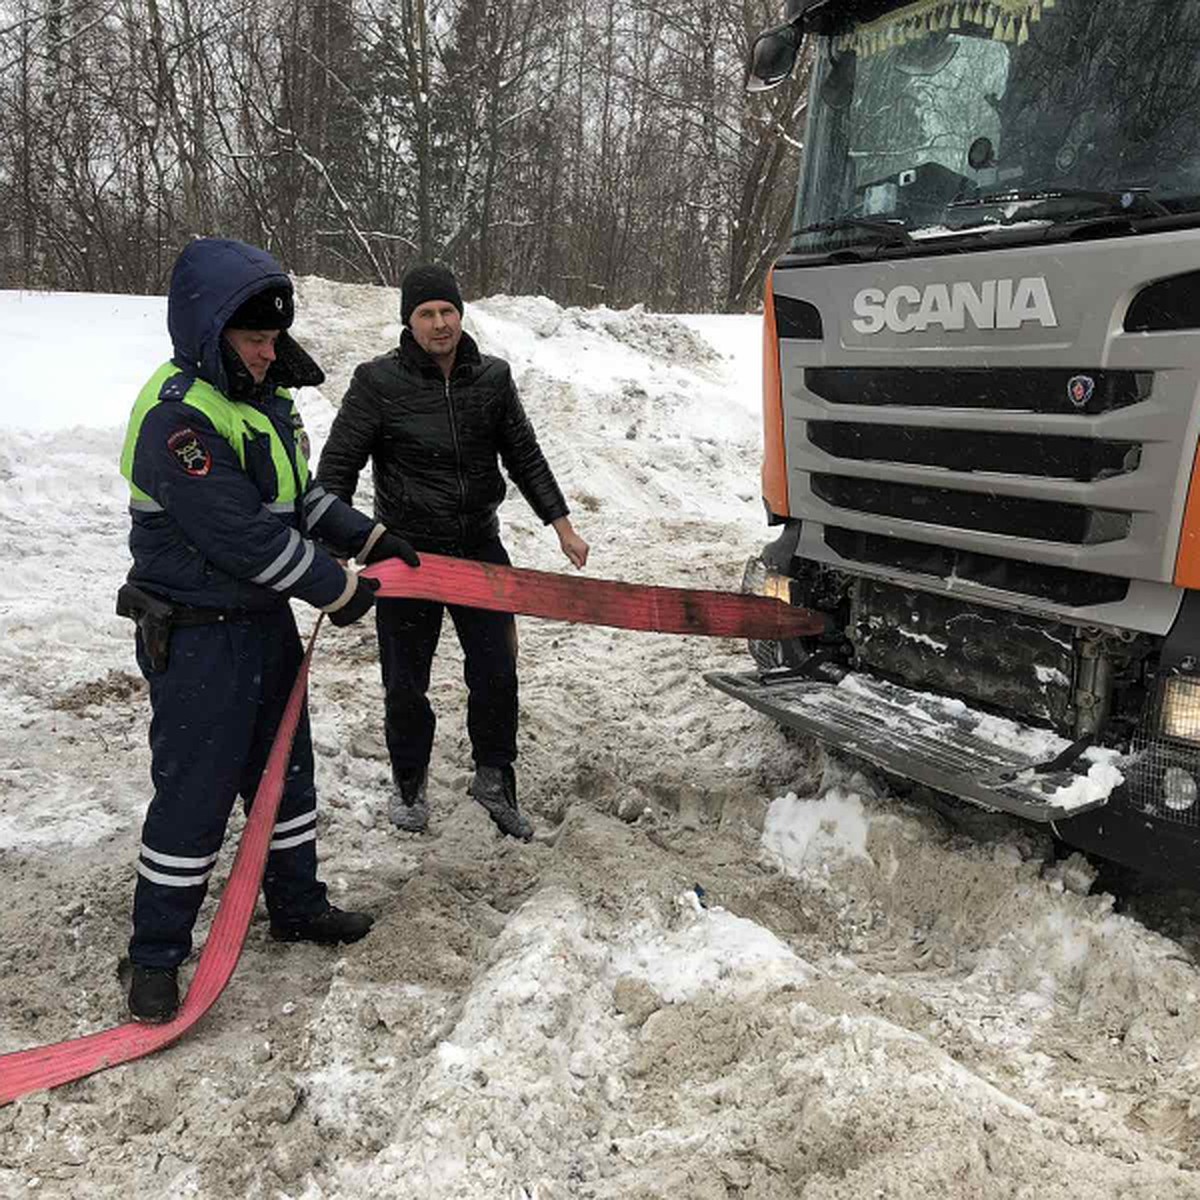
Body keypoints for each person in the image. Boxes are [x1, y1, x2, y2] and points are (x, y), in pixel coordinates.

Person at [117, 237, 420, 1024]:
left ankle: (297, 905)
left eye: (273, 339)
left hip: (262, 626)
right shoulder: (178, 418)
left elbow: (299, 501)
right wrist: (338, 590)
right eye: (252, 340)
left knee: (286, 779)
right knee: (195, 797)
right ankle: (153, 958)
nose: (265, 352)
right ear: (211, 332)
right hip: (196, 636)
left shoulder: (266, 404)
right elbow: (243, 535)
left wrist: (366, 537)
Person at [317, 264, 589, 840]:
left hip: (479, 547)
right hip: (404, 552)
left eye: (447, 311)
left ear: (460, 314)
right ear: (408, 322)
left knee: (496, 669)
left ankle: (494, 777)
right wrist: (336, 543)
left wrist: (560, 524)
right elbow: (339, 465)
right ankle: (410, 783)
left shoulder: (492, 378)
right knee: (405, 679)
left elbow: (525, 455)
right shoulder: (377, 383)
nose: (439, 323)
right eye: (426, 314)